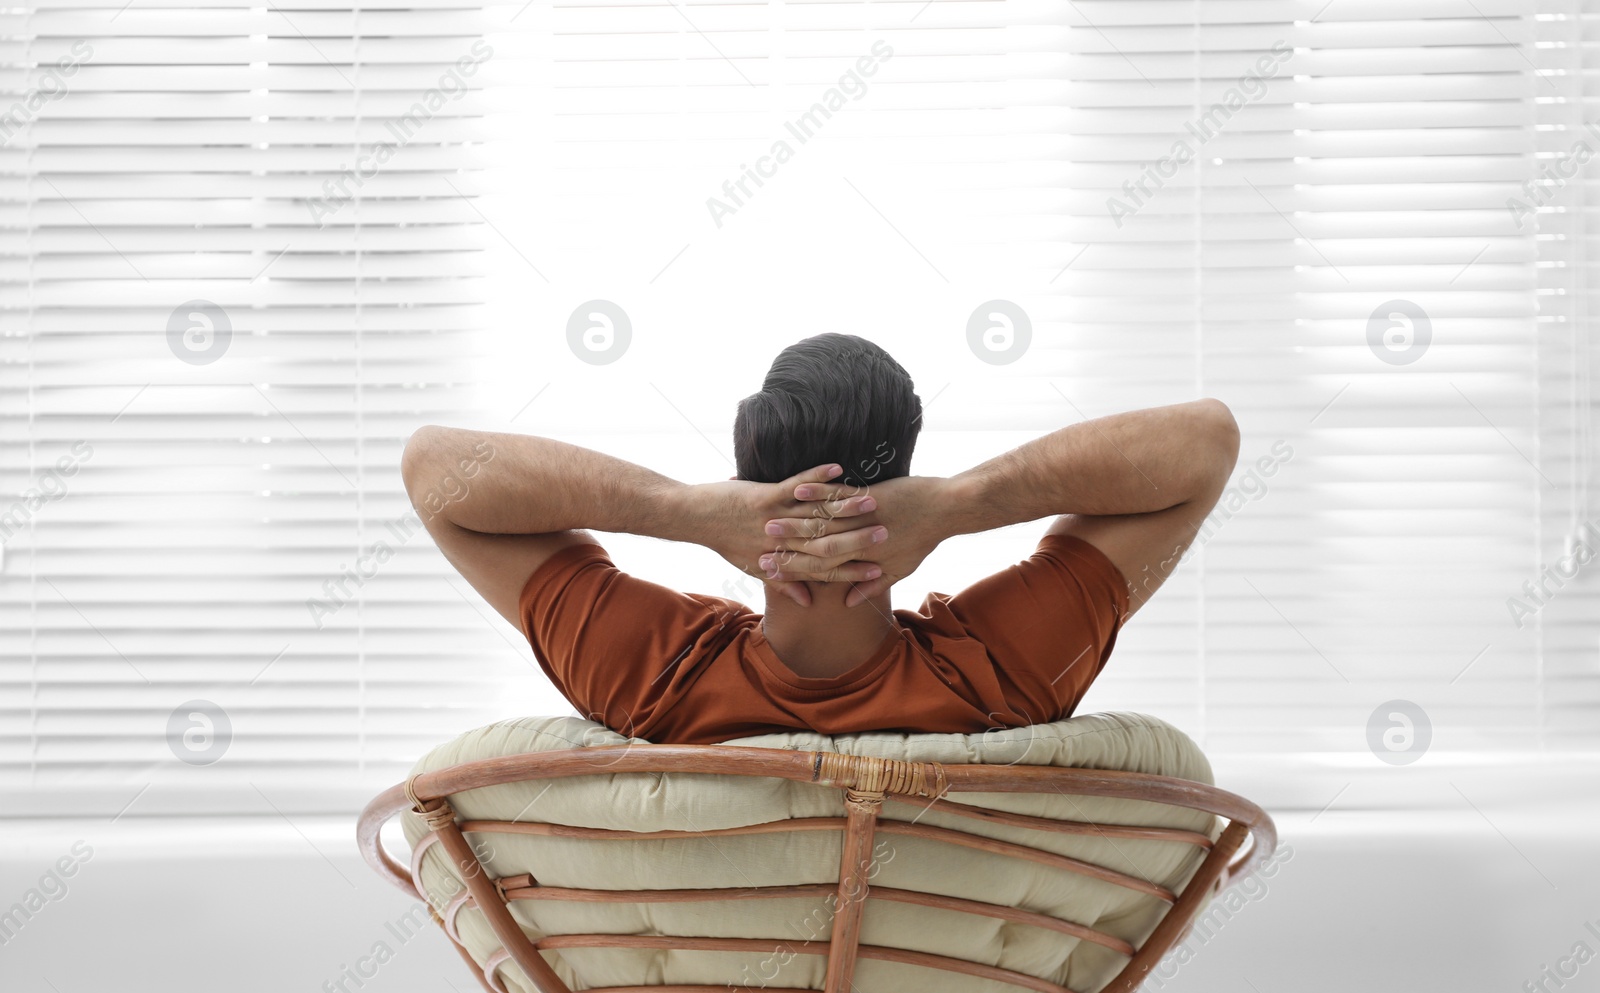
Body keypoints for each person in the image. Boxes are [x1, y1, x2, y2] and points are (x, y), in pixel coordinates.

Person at [401, 333, 1240, 744]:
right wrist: (958, 503)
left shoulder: (654, 676)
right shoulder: (1004, 674)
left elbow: (432, 469)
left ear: (749, 482)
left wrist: (686, 511)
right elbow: (1205, 442)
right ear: (904, 472)